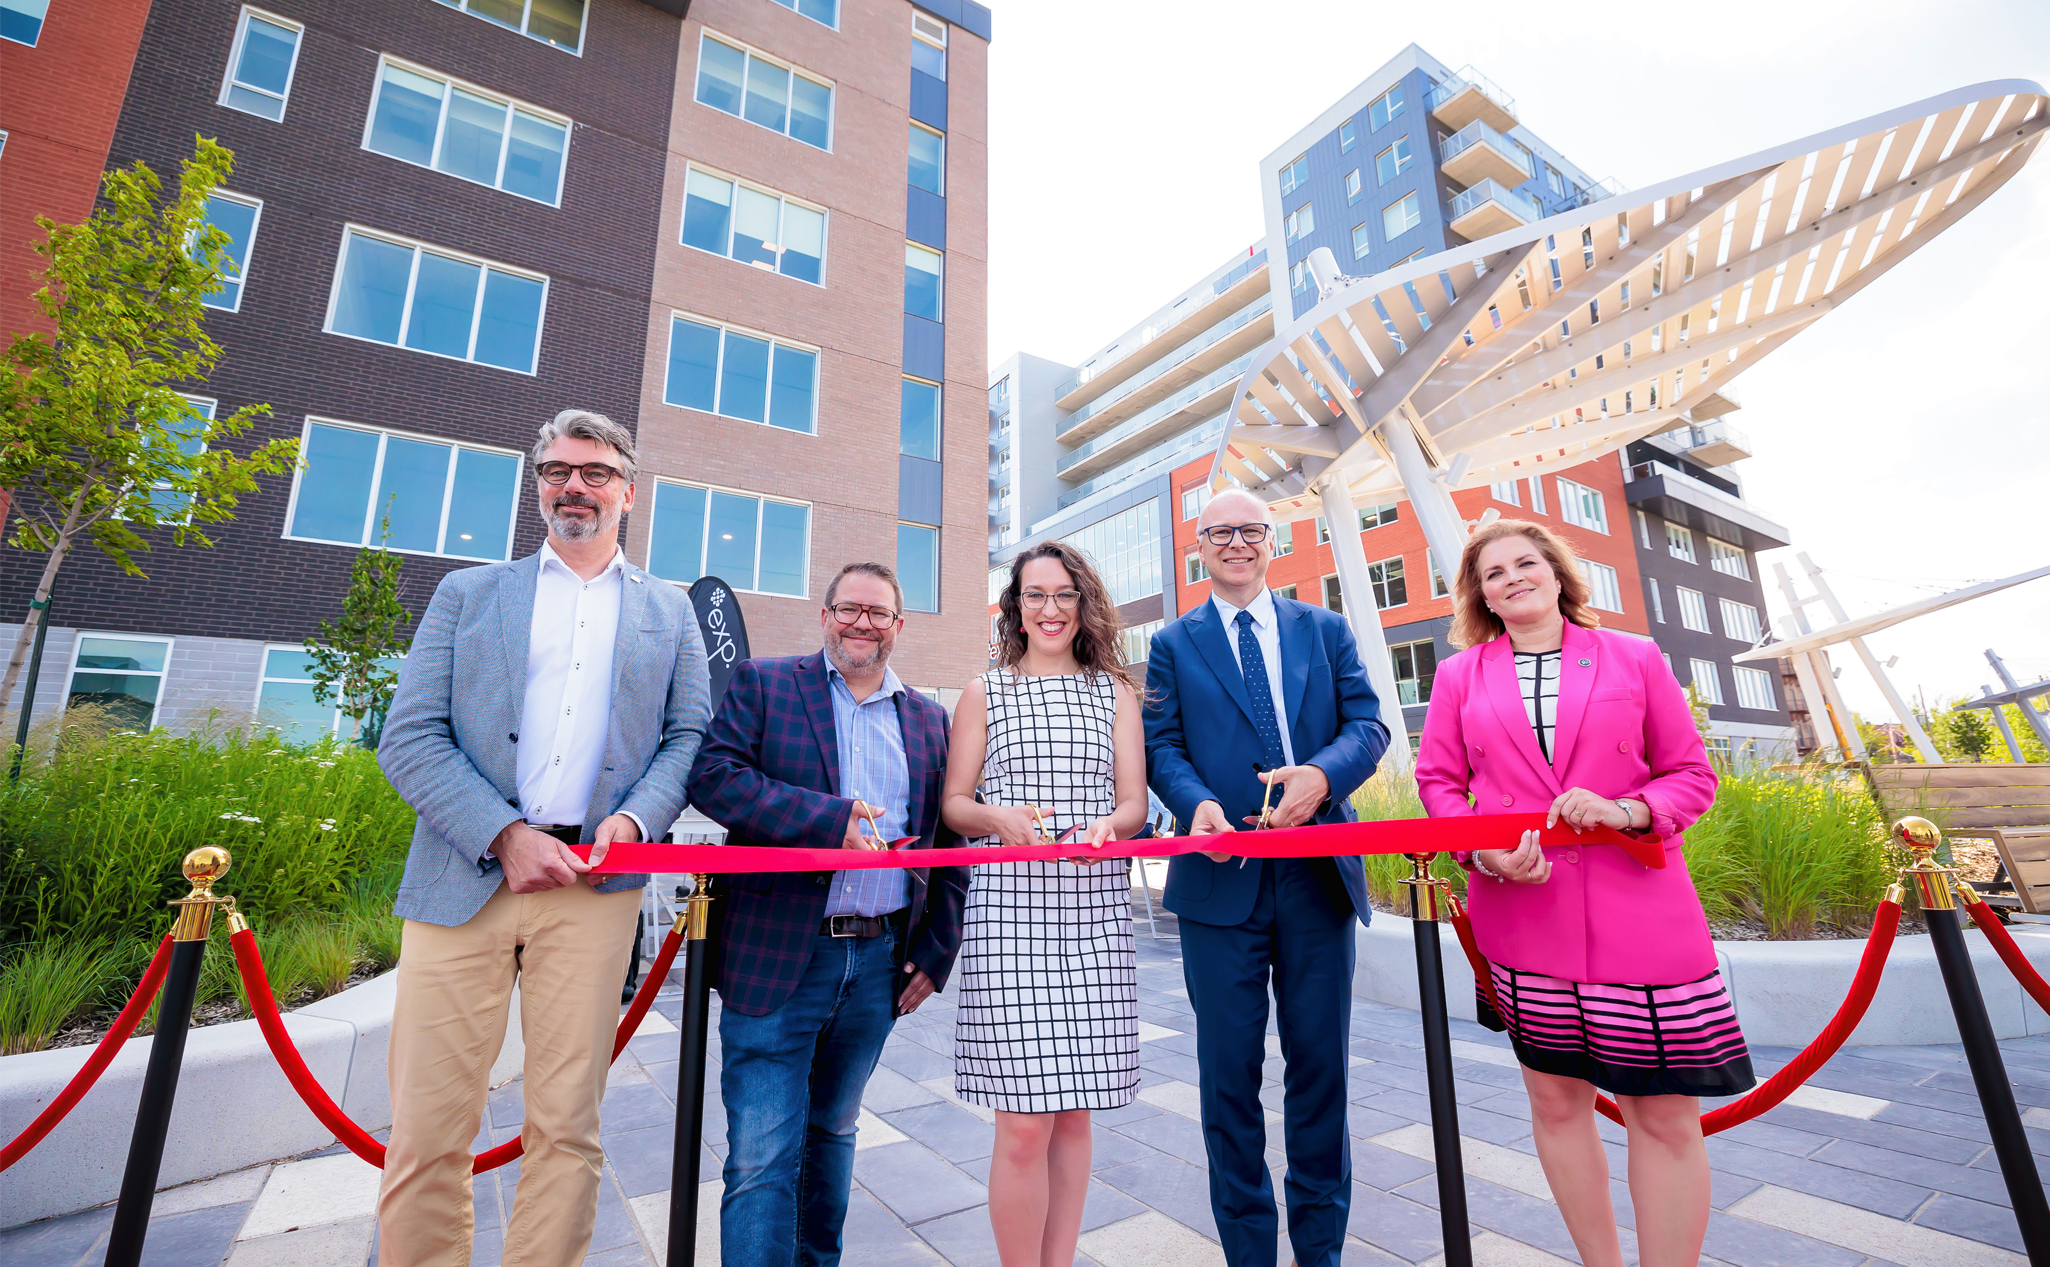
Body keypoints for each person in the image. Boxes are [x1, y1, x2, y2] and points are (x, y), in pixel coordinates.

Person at [376, 410, 711, 1267]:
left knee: (568, 1127)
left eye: (595, 473)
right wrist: (504, 834)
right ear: (538, 488)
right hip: (464, 880)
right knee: (426, 1129)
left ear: (628, 494)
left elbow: (688, 738)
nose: (574, 486)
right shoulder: (468, 594)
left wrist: (636, 819)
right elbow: (408, 735)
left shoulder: (671, 613)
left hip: (594, 894)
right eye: (556, 470)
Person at [1415, 519, 1748, 1267]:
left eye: (1524, 562)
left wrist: (1628, 810)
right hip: (1522, 920)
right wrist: (1484, 849)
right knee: (1556, 1104)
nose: (1511, 577)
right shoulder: (1458, 676)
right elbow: (1438, 781)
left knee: (1663, 1117)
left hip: (1643, 916)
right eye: (1492, 573)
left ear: (1558, 572)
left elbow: (1692, 774)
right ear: (1482, 597)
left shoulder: (1635, 657)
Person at [686, 561, 968, 1267]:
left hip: (877, 963)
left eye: (878, 613)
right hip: (778, 953)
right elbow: (713, 778)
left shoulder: (930, 721)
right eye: (850, 609)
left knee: (834, 1133)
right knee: (761, 1155)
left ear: (899, 627)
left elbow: (948, 840)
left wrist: (937, 951)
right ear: (825, 615)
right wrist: (827, 821)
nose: (862, 623)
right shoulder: (767, 684)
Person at [1143, 489, 1389, 1267]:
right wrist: (1199, 804)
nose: (1236, 542)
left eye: (1250, 530)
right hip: (1221, 883)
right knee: (1228, 1079)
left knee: (1320, 1071)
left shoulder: (1326, 628)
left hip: (1316, 875)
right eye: (1220, 532)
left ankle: (1321, 1252)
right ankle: (1248, 1253)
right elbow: (1162, 746)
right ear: (1201, 547)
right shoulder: (1171, 644)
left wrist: (1321, 775)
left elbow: (1370, 725)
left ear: (1272, 541)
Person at [942, 541, 1150, 1267]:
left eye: (1064, 594)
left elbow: (1132, 806)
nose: (1051, 608)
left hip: (1092, 915)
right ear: (1016, 607)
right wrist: (998, 816)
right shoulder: (985, 691)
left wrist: (1109, 826)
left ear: (1083, 602)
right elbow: (955, 803)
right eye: (1036, 595)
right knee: (1024, 1122)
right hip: (1009, 915)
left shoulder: (1114, 693)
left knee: (1072, 1114)